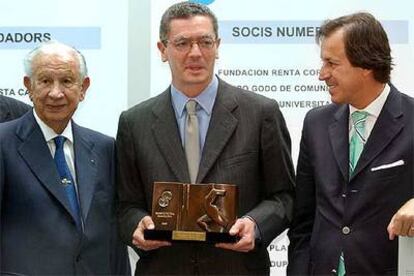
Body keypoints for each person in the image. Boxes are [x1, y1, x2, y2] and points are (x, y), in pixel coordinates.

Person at [116, 2, 295, 275]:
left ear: (218, 46)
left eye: (205, 42)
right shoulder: (134, 122)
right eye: (182, 43)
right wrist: (136, 224)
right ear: (163, 50)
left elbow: (285, 196)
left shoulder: (261, 113)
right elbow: (125, 204)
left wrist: (255, 224)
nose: (195, 53)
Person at [288, 12, 414, 275]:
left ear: (366, 64)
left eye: (332, 63)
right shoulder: (316, 123)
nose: (323, 74)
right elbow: (303, 221)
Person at [0, 41, 130, 275]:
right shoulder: (3, 143)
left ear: (83, 87)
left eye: (67, 81)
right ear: (28, 86)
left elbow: (112, 235)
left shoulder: (104, 148)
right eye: (45, 81)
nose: (56, 93)